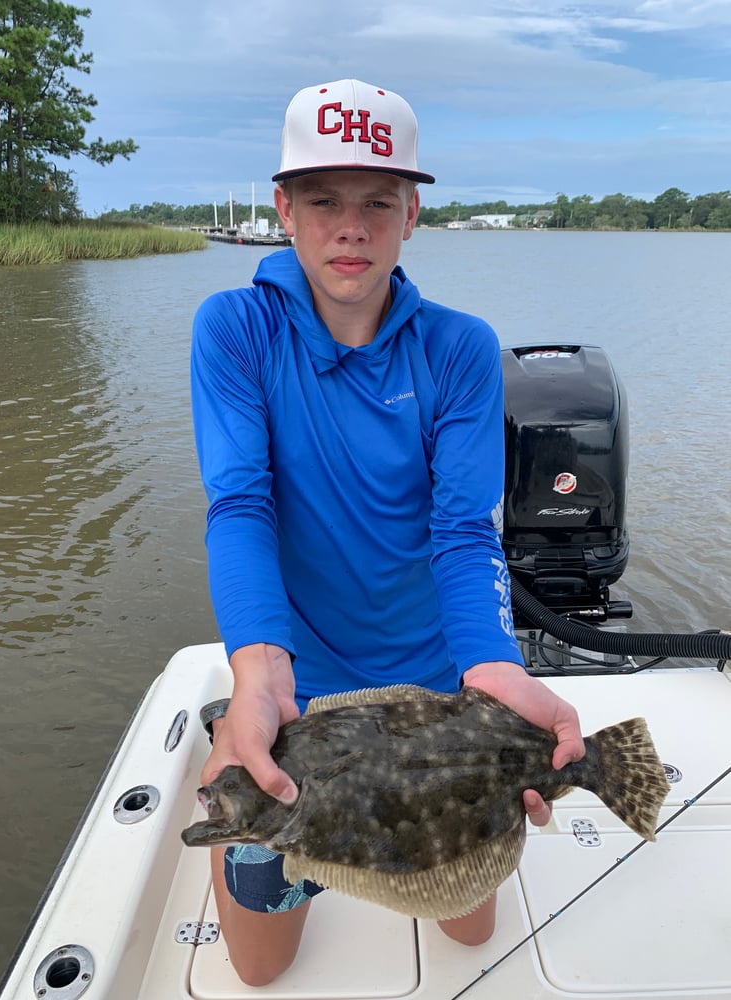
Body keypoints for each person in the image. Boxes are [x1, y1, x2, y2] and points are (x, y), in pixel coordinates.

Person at [190, 78, 585, 987]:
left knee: (469, 932)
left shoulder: (458, 349)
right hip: (298, 691)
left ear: (412, 212)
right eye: (323, 199)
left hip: (438, 689)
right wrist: (258, 673)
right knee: (255, 970)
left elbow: (462, 533)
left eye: (377, 202)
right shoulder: (235, 330)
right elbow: (239, 505)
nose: (351, 228)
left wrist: (492, 667)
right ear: (284, 209)